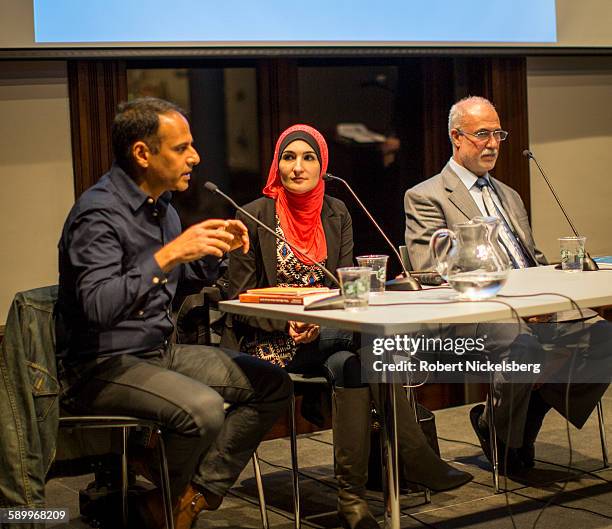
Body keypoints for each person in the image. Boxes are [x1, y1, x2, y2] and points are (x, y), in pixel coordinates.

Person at [57, 97, 292, 529]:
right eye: (181, 148)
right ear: (143, 154)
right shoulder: (97, 215)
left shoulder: (160, 206)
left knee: (271, 383)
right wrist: (168, 256)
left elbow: (179, 283)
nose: (195, 157)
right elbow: (96, 307)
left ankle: (186, 499)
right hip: (101, 363)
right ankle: (166, 503)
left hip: (158, 350)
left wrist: (210, 251)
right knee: (203, 409)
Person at [223, 124, 472, 529]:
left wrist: (323, 321)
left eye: (308, 158)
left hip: (331, 332)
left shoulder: (337, 211)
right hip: (272, 340)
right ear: (276, 164)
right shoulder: (253, 216)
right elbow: (239, 300)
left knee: (355, 366)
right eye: (289, 157)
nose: (297, 167)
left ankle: (351, 500)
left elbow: (344, 286)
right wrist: (290, 323)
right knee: (373, 335)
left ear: (323, 166)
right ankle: (417, 456)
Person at [404, 95, 611, 474]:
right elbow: (427, 270)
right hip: (471, 314)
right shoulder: (427, 196)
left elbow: (531, 258)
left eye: (498, 133)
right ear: (457, 137)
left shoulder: (510, 196)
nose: (493, 144)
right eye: (482, 134)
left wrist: (558, 284)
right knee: (521, 344)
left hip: (531, 307)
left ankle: (509, 417)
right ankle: (508, 439)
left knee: (604, 335)